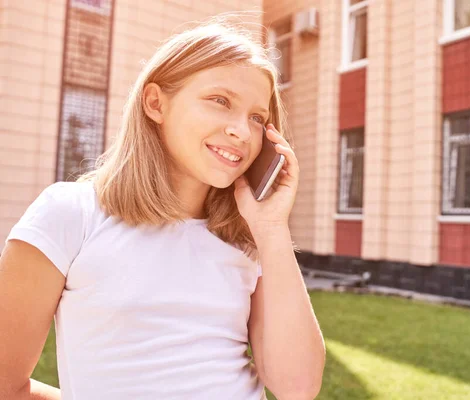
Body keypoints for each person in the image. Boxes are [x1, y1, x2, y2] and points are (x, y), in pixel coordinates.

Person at [0, 19, 326, 400]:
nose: (242, 131)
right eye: (221, 101)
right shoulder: (71, 213)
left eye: (258, 117)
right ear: (156, 103)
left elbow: (299, 388)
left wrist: (271, 229)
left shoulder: (251, 243)